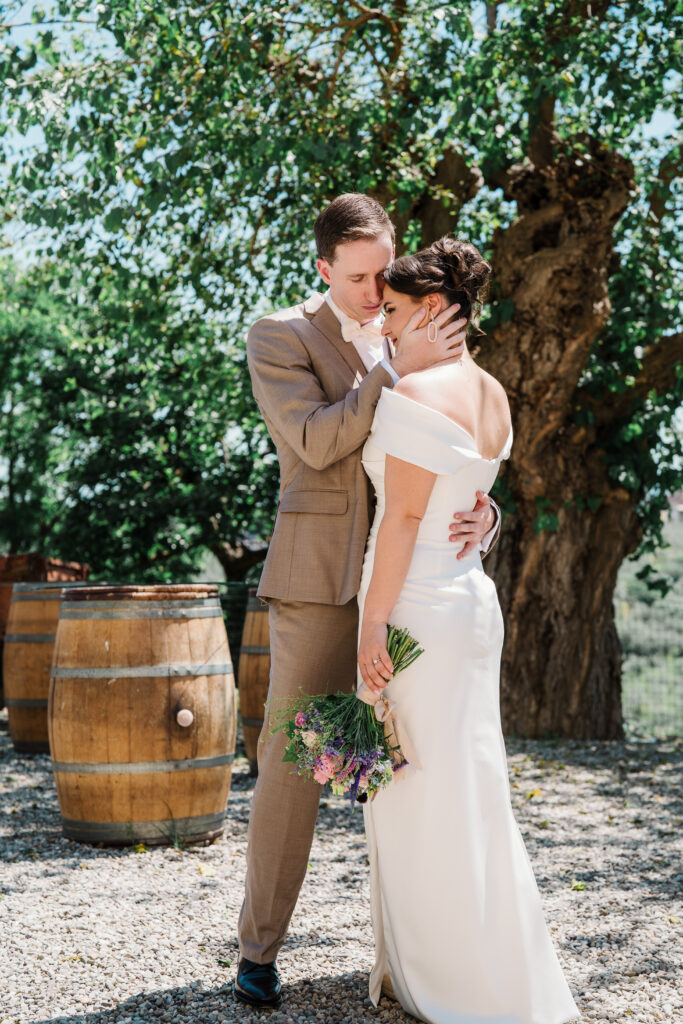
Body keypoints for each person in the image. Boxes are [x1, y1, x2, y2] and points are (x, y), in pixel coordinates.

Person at [236, 195, 500, 1009]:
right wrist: (391, 366)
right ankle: (258, 949)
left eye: (381, 275)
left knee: (420, 767)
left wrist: (486, 511)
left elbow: (460, 436)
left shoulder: (418, 326)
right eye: (355, 279)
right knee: (297, 763)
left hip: (414, 588)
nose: (372, 292)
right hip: (320, 583)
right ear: (323, 268)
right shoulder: (278, 336)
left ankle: (423, 959)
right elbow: (316, 442)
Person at [357, 236, 580, 1024]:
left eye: (391, 311)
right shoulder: (490, 393)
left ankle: (452, 983)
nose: (382, 326)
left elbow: (403, 518)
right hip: (469, 606)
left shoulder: (415, 395)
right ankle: (482, 969)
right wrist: (487, 519)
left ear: (431, 310)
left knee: (414, 789)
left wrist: (371, 622)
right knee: (468, 790)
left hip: (415, 609)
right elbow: (471, 495)